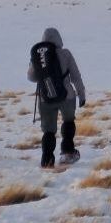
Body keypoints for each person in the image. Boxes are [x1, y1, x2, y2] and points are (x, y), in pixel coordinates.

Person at [27, 27, 87, 169]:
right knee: (68, 122)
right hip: (67, 96)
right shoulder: (65, 54)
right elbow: (75, 76)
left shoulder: (38, 56)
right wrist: (81, 94)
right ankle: (67, 151)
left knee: (48, 130)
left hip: (45, 98)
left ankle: (47, 159)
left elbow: (31, 77)